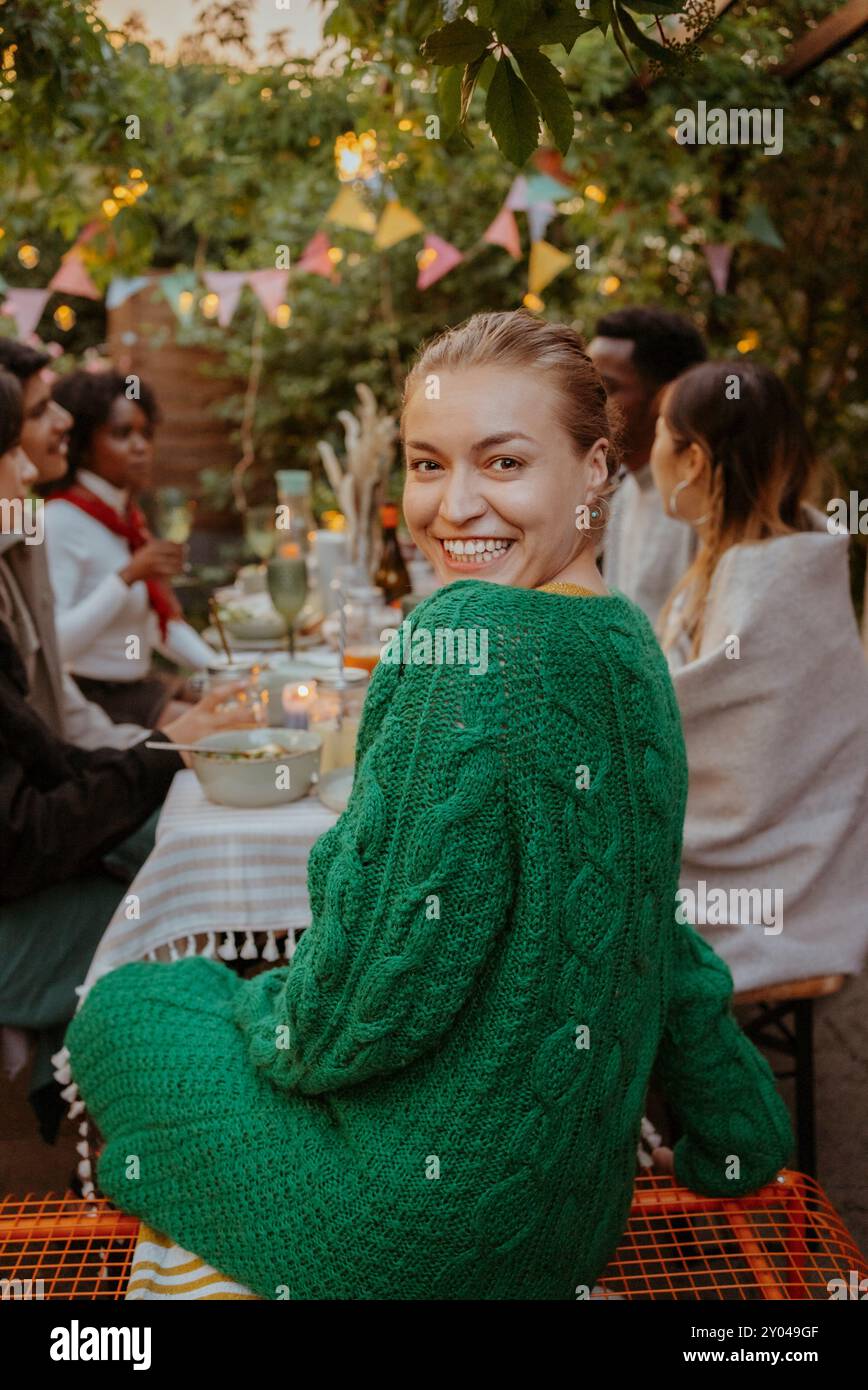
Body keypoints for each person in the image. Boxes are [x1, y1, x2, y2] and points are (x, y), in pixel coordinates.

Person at [66, 312, 791, 1301]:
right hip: (566, 1228)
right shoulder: (627, 645)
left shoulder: (459, 634)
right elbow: (641, 931)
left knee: (131, 1005)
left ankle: (193, 1185)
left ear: (593, 473)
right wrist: (736, 1121)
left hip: (412, 1240)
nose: (452, 506)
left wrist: (265, 1007)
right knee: (221, 1007)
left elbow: (356, 1015)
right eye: (424, 463)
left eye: (501, 462)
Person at [0, 367, 247, 1139]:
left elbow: (44, 740)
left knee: (173, 855)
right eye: (17, 440)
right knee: (180, 909)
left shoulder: (36, 533)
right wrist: (160, 752)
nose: (38, 456)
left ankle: (75, 1122)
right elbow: (26, 834)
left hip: (92, 743)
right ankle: (141, 1136)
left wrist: (162, 747)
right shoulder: (49, 527)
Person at [650, 359, 868, 990]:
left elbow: (705, 739)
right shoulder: (780, 556)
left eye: (662, 432)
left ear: (693, 460)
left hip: (769, 889)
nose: (651, 449)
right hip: (802, 869)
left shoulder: (764, 582)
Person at [44, 369, 216, 727]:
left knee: (242, 706)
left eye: (145, 433)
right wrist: (127, 576)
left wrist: (224, 670)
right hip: (93, 699)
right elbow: (54, 648)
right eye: (122, 434)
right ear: (83, 446)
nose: (141, 446)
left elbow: (156, 627)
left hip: (139, 684)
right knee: (224, 731)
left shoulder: (124, 518)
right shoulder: (60, 520)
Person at [0, 340, 146, 749]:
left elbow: (55, 696)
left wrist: (151, 750)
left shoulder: (26, 530)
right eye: (38, 411)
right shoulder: (53, 520)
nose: (65, 421)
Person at [588, 307, 707, 625]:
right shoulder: (624, 492)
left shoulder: (703, 504)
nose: (590, 403)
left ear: (668, 397)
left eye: (608, 389)